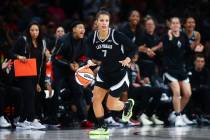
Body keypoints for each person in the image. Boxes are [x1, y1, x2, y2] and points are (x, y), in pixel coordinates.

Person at [86, 10, 136, 135]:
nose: (104, 23)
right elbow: (90, 55)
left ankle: (126, 106)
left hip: (119, 75)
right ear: (96, 22)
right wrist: (90, 63)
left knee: (110, 105)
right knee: (96, 100)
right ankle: (102, 127)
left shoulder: (116, 35)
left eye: (106, 20)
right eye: (101, 20)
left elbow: (133, 48)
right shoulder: (92, 37)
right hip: (104, 73)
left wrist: (128, 59)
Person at [52, 21, 93, 127]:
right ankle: (54, 119)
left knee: (79, 91)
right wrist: (68, 64)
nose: (83, 30)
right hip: (60, 70)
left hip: (73, 69)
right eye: (80, 27)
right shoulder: (63, 40)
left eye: (83, 28)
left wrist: (78, 64)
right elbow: (55, 57)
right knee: (56, 93)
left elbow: (84, 57)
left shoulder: (84, 41)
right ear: (73, 29)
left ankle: (83, 119)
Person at [10, 21, 47, 129]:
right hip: (24, 73)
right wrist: (19, 57)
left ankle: (23, 120)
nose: (34, 32)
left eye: (36, 30)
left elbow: (42, 63)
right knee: (30, 95)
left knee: (32, 96)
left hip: (35, 75)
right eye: (32, 30)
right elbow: (11, 52)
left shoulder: (42, 43)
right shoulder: (23, 40)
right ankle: (31, 119)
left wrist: (39, 82)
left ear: (39, 31)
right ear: (28, 31)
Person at [162, 17, 192, 127]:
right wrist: (170, 38)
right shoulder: (166, 37)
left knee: (188, 94)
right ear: (170, 25)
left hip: (181, 69)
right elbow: (166, 51)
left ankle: (174, 113)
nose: (175, 25)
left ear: (180, 25)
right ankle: (178, 117)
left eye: (177, 23)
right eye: (173, 23)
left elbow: (188, 52)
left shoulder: (184, 36)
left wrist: (187, 67)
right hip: (169, 69)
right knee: (177, 92)